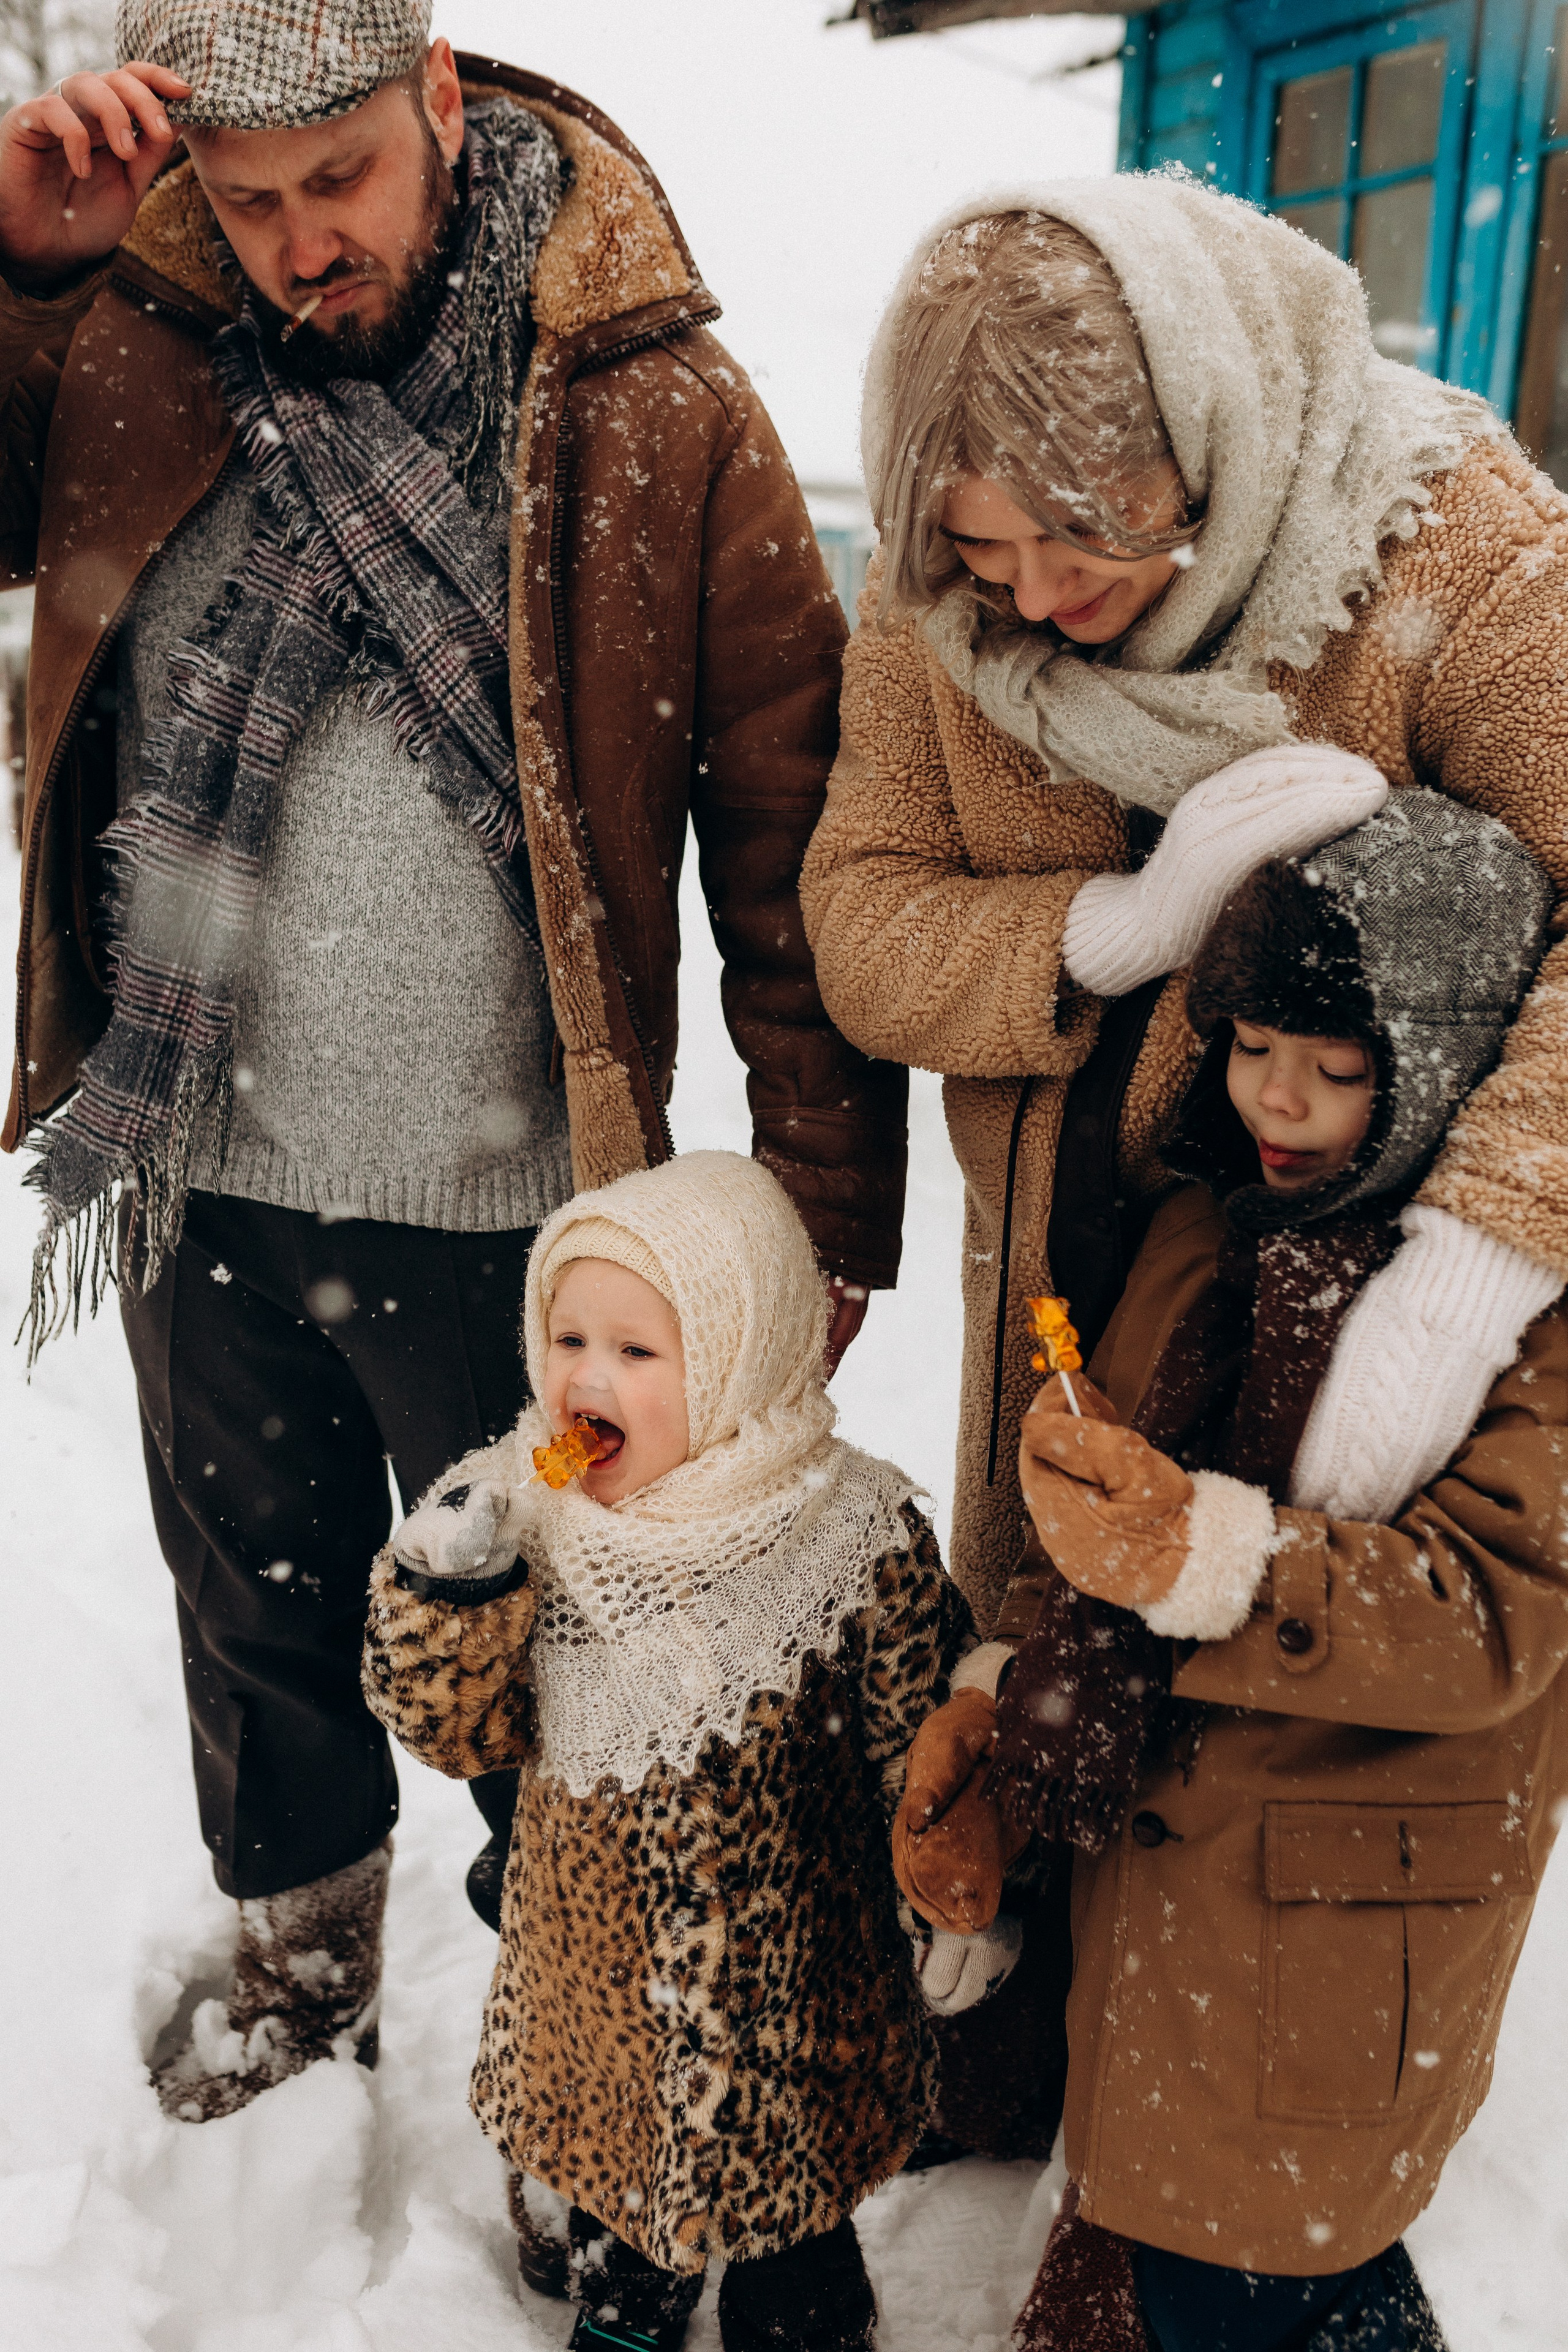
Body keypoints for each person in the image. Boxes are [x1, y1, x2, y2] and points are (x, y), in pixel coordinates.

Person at [0, 6, 906, 2113]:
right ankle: (305, 1961)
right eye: (250, 206)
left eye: (343, 184)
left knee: (558, 1646)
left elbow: (787, 821)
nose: (305, 243)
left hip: (530, 1208)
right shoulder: (135, 345)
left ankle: (562, 2023)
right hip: (198, 1151)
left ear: (439, 104)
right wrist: (25, 272)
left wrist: (823, 1199)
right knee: (255, 1610)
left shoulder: (652, 408)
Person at [897, 792, 1568, 2351]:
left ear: (1438, 1066)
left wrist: (1214, 1560)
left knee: (1265, 2260)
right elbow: (1093, 1509)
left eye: (1335, 1068)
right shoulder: (1203, 1233)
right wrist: (1005, 1697)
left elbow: (1486, 1611)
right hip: (1175, 1911)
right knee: (1220, 2241)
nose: (1276, 1095)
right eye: (1250, 1043)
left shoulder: (1523, 1320)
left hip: (1345, 1907)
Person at [361, 1150, 979, 2352]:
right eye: (566, 1339)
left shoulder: (851, 1531)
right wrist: (448, 1594)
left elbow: (922, 1730)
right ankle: (628, 2311)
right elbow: (453, 1728)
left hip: (803, 1997)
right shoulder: (523, 1520)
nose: (586, 1377)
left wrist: (953, 1892)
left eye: (637, 1353)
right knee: (622, 2205)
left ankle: (805, 2320)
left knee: (797, 2234)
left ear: (744, 1354)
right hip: (599, 2000)